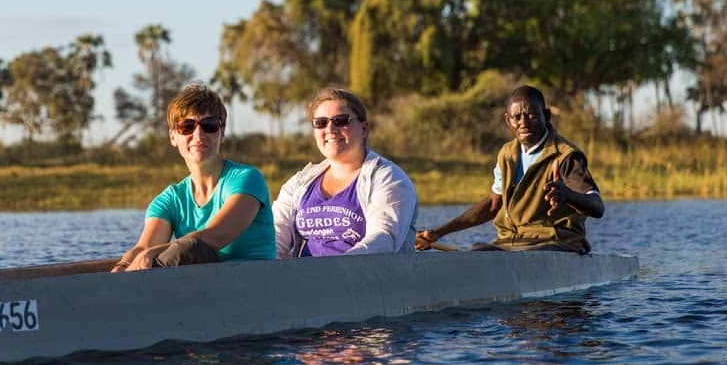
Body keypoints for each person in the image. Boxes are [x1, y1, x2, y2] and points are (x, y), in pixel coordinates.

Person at [414, 85, 603, 254]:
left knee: (524, 254)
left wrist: (568, 195)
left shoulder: (565, 156)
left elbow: (597, 206)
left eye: (532, 115)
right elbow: (493, 204)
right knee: (479, 251)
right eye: (517, 117)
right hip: (510, 243)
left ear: (546, 116)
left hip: (554, 242)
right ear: (508, 120)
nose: (524, 123)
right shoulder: (507, 154)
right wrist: (438, 233)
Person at [113, 83, 275, 271]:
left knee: (190, 248)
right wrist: (121, 267)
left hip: (251, 280)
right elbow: (143, 248)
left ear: (221, 133)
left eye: (209, 126)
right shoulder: (170, 199)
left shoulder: (247, 179)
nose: (198, 135)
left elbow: (217, 235)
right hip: (200, 283)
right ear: (173, 137)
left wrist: (153, 253)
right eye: (187, 126)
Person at [273, 88, 418, 257]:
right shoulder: (299, 183)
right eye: (320, 123)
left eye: (341, 121)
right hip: (307, 273)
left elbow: (383, 240)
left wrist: (336, 268)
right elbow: (272, 239)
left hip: (364, 272)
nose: (330, 129)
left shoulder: (389, 178)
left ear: (364, 129)